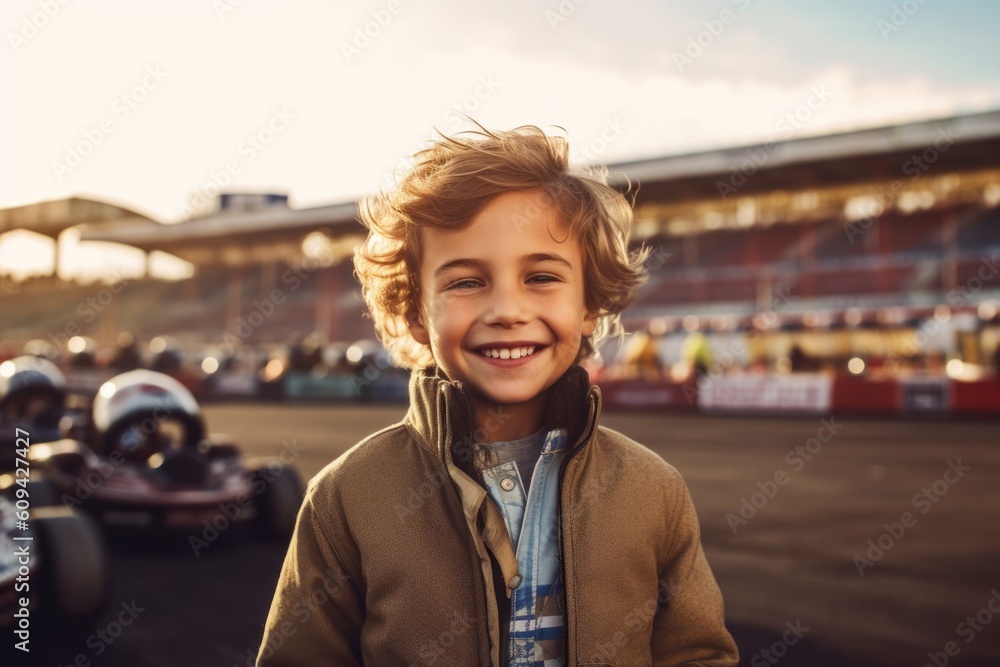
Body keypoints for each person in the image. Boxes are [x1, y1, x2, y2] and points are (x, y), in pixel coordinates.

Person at [256, 125, 738, 666]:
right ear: (417, 313)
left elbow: (697, 655)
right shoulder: (345, 497)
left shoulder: (655, 492)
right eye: (465, 282)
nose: (507, 310)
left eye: (541, 277)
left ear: (589, 306)